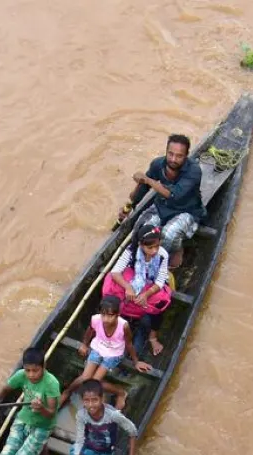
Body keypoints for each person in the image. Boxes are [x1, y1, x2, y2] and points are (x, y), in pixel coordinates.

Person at [116, 133, 205, 267]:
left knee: (169, 235)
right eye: (170, 154)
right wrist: (131, 205)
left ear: (186, 156)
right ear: (166, 152)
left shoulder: (194, 171)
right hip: (162, 206)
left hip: (187, 210)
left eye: (179, 156)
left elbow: (173, 195)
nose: (173, 159)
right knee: (141, 228)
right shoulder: (158, 164)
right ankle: (138, 260)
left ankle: (174, 252)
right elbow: (143, 188)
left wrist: (148, 179)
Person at [61, 294, 151, 410]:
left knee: (94, 383)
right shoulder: (96, 319)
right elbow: (90, 331)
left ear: (118, 314)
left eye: (110, 316)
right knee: (85, 378)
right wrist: (84, 344)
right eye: (103, 314)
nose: (106, 319)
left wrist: (136, 362)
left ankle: (121, 393)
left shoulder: (124, 326)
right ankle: (67, 391)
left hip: (113, 354)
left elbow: (129, 344)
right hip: (98, 348)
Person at [102, 226, 172, 357]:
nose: (154, 251)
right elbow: (115, 272)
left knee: (160, 305)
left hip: (150, 285)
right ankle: (111, 326)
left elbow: (160, 281)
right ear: (141, 245)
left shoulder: (163, 255)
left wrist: (146, 294)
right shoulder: (131, 251)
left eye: (157, 246)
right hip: (130, 282)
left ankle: (153, 337)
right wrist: (128, 287)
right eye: (150, 248)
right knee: (110, 296)